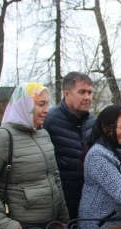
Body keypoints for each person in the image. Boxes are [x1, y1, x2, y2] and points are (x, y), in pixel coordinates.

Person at [0, 82, 69, 229]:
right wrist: (5, 225)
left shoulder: (42, 133)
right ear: (24, 105)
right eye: (40, 104)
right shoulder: (1, 138)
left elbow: (54, 176)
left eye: (47, 104)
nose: (46, 110)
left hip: (49, 228)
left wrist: (62, 216)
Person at [43, 72, 96, 220]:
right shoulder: (49, 121)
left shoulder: (94, 123)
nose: (87, 97)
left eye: (90, 92)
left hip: (89, 200)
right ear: (67, 94)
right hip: (60, 202)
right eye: (82, 92)